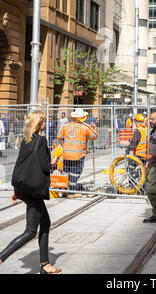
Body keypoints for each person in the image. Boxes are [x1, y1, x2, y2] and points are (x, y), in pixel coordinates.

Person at [0, 110, 61, 274]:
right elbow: (45, 166)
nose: (45, 124)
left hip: (25, 188)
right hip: (34, 190)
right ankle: (1, 257)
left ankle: (45, 265)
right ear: (40, 124)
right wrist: (53, 162)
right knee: (30, 231)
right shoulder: (41, 141)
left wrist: (16, 189)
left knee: (46, 224)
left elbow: (19, 165)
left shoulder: (26, 141)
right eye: (44, 121)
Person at [57, 108, 97, 198]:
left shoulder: (66, 126)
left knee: (66, 172)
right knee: (75, 173)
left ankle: (64, 190)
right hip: (78, 155)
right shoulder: (85, 127)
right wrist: (94, 128)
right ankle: (72, 193)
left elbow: (59, 137)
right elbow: (94, 136)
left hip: (67, 154)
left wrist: (64, 146)